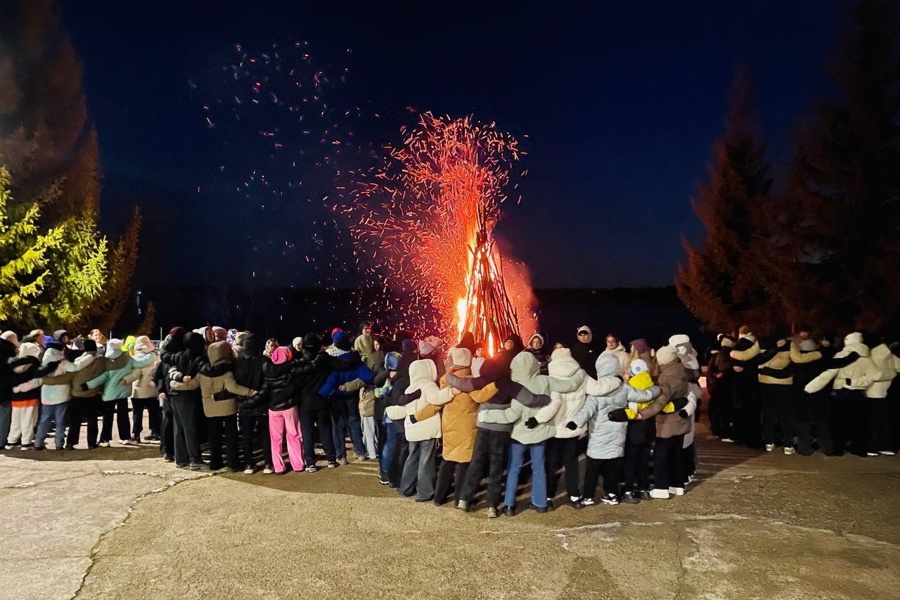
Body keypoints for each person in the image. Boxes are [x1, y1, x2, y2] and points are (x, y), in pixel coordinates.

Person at [410, 347, 498, 507]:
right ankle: (460, 499)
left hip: (449, 428)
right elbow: (481, 396)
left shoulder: (445, 380)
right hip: (467, 429)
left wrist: (417, 416)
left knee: (447, 462)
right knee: (463, 465)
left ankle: (439, 497)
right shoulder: (471, 382)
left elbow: (436, 404)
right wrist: (497, 384)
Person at [568, 354, 660, 506]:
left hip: (598, 438)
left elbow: (587, 410)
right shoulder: (624, 387)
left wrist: (574, 422)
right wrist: (656, 389)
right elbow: (643, 395)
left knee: (592, 470)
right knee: (613, 469)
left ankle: (588, 496)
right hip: (617, 437)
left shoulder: (596, 391)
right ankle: (612, 494)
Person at [122, 336, 160, 443]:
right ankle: (155, 431)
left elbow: (135, 374)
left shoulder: (136, 358)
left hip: (138, 391)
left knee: (137, 413)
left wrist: (125, 380)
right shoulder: (155, 357)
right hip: (152, 390)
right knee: (153, 413)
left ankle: (136, 434)